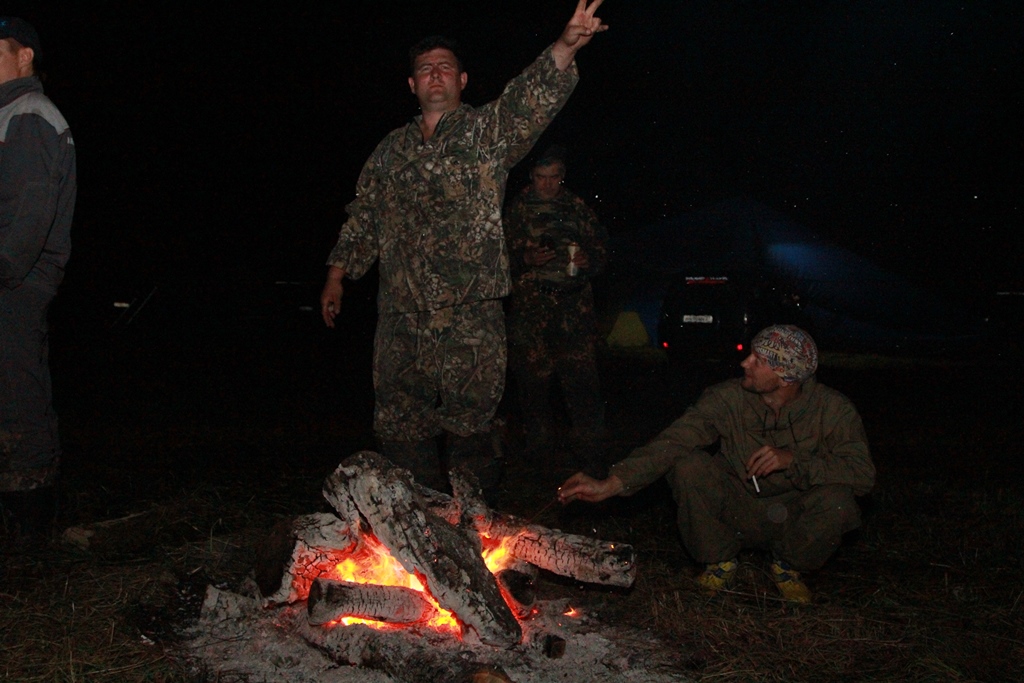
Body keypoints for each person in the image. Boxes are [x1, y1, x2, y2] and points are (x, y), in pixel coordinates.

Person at [320, 2, 608, 494]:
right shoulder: (389, 151)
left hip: (470, 314)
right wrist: (336, 275)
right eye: (425, 68)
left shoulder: (484, 134)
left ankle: (470, 523)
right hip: (401, 313)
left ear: (462, 80)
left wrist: (564, 47)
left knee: (472, 424)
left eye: (445, 67)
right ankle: (415, 521)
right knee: (399, 422)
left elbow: (526, 102)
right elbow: (364, 214)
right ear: (412, 84)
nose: (435, 74)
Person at [558, 325, 875, 603]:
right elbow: (675, 440)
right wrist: (614, 483)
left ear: (786, 377)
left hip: (794, 517)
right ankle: (719, 560)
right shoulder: (728, 398)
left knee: (838, 500)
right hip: (736, 510)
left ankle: (789, 566)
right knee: (688, 465)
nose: (745, 363)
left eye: (758, 360)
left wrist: (794, 461)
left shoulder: (833, 410)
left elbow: (862, 474)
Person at [0, 17, 77, 541]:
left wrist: (5, 269)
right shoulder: (11, 114)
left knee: (17, 393)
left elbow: (28, 212)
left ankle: (29, 522)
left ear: (24, 56)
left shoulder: (28, 115)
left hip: (16, 282)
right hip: (14, 277)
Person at [504, 145, 608, 476]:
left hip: (573, 310)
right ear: (531, 176)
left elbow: (601, 248)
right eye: (541, 177)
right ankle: (538, 458)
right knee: (533, 388)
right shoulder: (517, 209)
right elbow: (497, 261)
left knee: (582, 387)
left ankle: (591, 460)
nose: (547, 184)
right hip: (532, 311)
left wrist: (590, 261)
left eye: (554, 177)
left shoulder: (577, 207)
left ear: (562, 177)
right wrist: (525, 259)